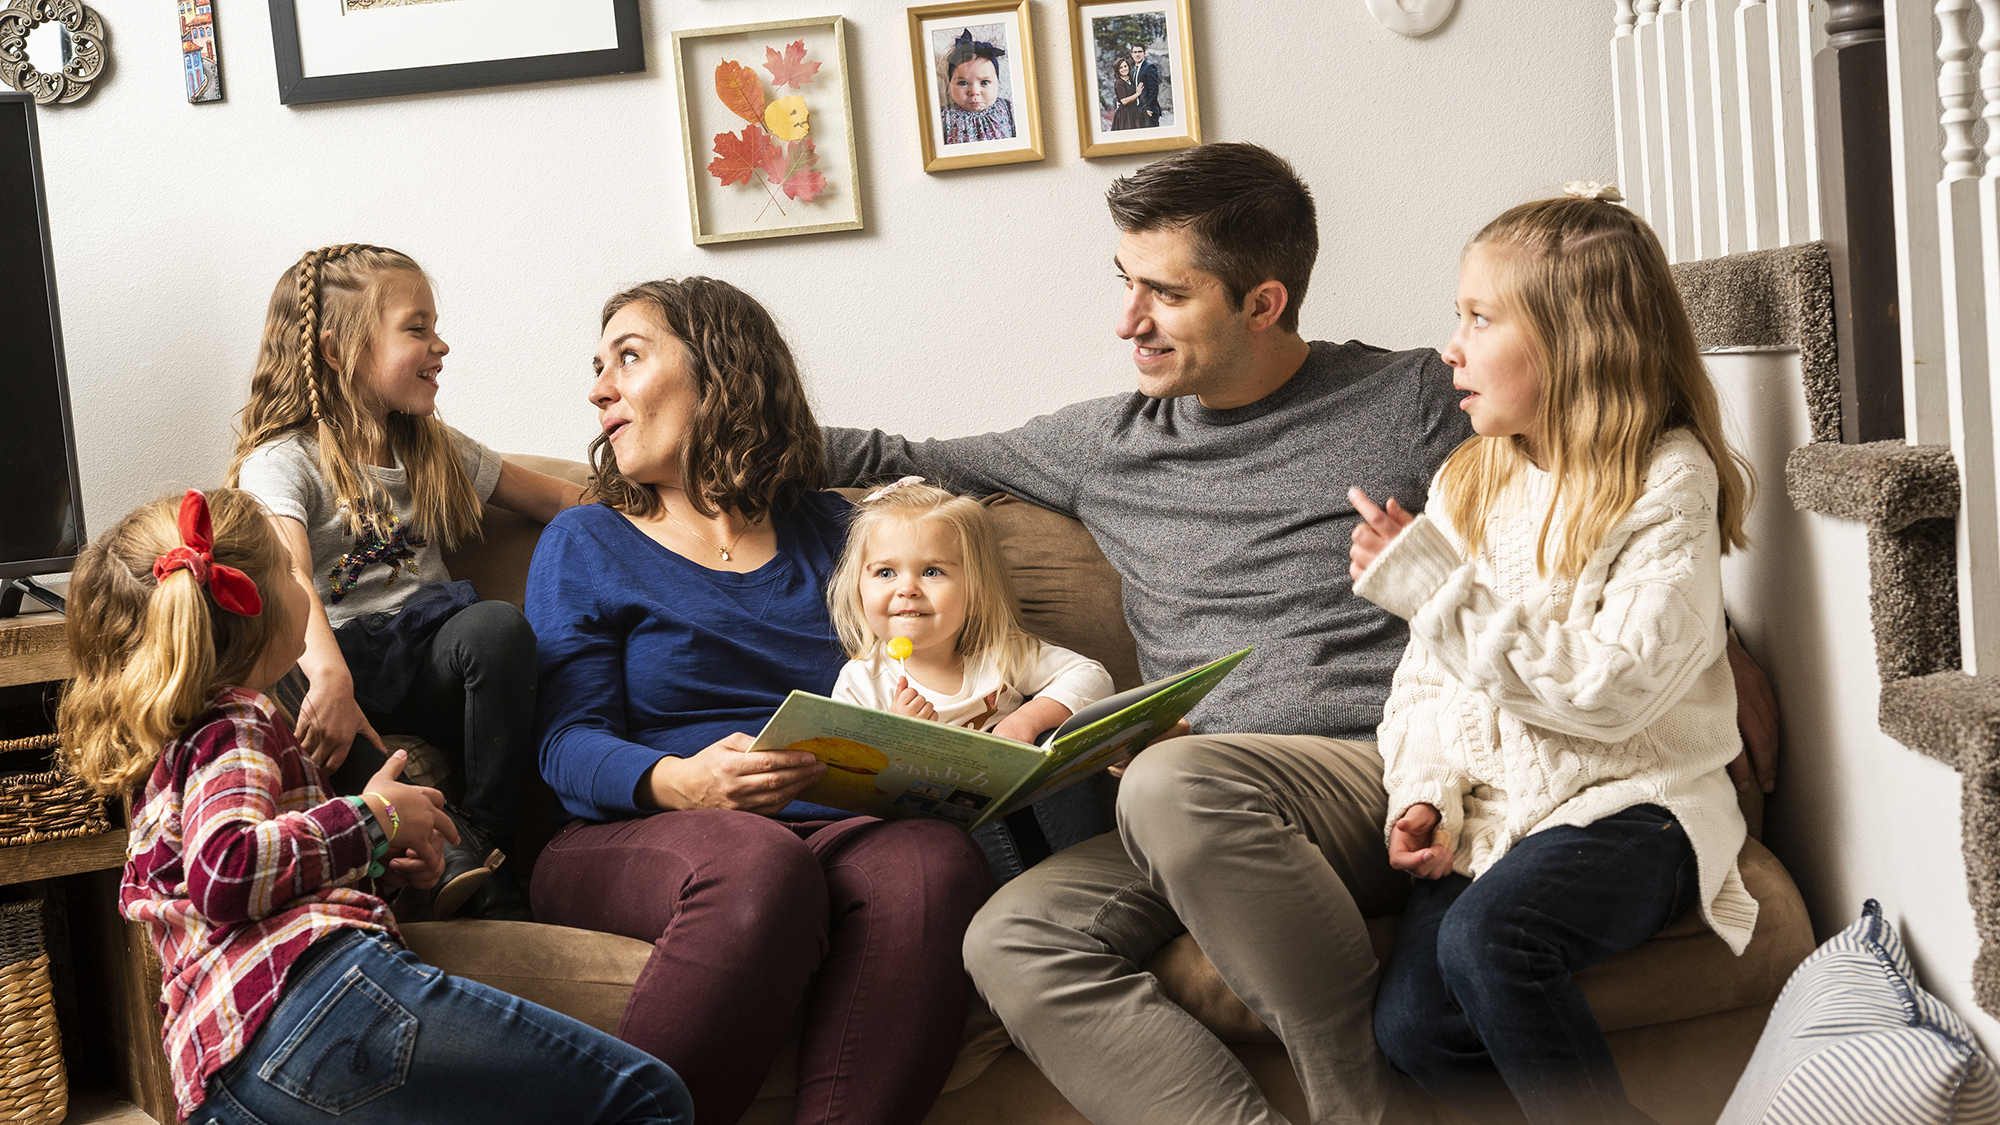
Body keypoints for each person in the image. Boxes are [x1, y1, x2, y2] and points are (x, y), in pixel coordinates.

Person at [822, 143, 1780, 1125]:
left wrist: (1717, 640)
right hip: (1197, 811)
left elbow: (1575, 498)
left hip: (1373, 768)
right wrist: (714, 447)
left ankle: (1354, 1109)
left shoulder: (1406, 401)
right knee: (1011, 939)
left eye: (1162, 293)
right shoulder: (1105, 442)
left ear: (1262, 302)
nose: (1126, 321)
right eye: (1124, 284)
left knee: (1170, 781)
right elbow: (904, 458)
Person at [59, 488, 692, 1125]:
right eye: (290, 572)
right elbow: (227, 870)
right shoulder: (238, 724)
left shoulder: (175, 754)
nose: (304, 590)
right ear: (248, 607)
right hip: (311, 1001)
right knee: (647, 1098)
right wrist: (375, 817)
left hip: (218, 1076)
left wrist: (382, 862)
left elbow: (245, 882)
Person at [523, 277, 990, 1125]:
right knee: (758, 861)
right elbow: (565, 742)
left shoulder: (843, 535)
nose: (597, 390)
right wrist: (681, 779)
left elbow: (908, 661)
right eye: (597, 368)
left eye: (627, 358)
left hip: (838, 817)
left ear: (721, 374)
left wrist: (942, 719)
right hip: (636, 831)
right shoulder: (585, 539)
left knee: (934, 860)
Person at [1352, 191, 1756, 1124]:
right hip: (1502, 814)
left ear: (1576, 344)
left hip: (1637, 802)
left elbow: (1613, 694)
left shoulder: (1668, 480)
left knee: (1492, 937)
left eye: (1479, 318)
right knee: (1410, 1028)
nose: (1450, 345)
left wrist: (1438, 594)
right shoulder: (1472, 475)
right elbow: (1426, 685)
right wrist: (1425, 791)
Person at [228, 243, 581, 920]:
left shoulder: (433, 445)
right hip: (337, 667)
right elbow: (290, 571)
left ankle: (481, 842)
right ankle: (396, 827)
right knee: (280, 673)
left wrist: (656, 495)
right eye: (416, 329)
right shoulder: (283, 460)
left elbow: (558, 502)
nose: (440, 344)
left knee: (496, 627)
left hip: (425, 661)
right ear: (338, 350)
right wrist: (331, 677)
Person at [828, 476, 1113, 739]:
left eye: (931, 572)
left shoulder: (1002, 654)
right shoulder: (861, 683)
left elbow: (1092, 677)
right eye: (885, 573)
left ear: (976, 592)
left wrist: (1026, 721)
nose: (907, 589)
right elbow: (850, 776)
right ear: (858, 590)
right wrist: (893, 736)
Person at [941, 28, 1016, 144]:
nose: (974, 92)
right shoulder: (944, 117)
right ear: (950, 84)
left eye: (984, 82)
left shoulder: (1009, 109)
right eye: (963, 83)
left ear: (997, 82)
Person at [1129, 41, 1162, 127]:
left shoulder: (1149, 67)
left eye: (1139, 51)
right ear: (1132, 55)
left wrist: (1150, 109)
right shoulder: (1133, 71)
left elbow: (1154, 89)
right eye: (1135, 52)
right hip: (1137, 111)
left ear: (1144, 53)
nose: (1137, 54)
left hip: (1148, 111)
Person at [1110, 55, 1144, 132]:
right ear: (1117, 70)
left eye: (1125, 66)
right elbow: (1124, 101)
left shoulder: (1130, 80)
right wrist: (1137, 94)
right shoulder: (1119, 83)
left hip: (1133, 111)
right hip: (1125, 115)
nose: (1124, 69)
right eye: (1120, 67)